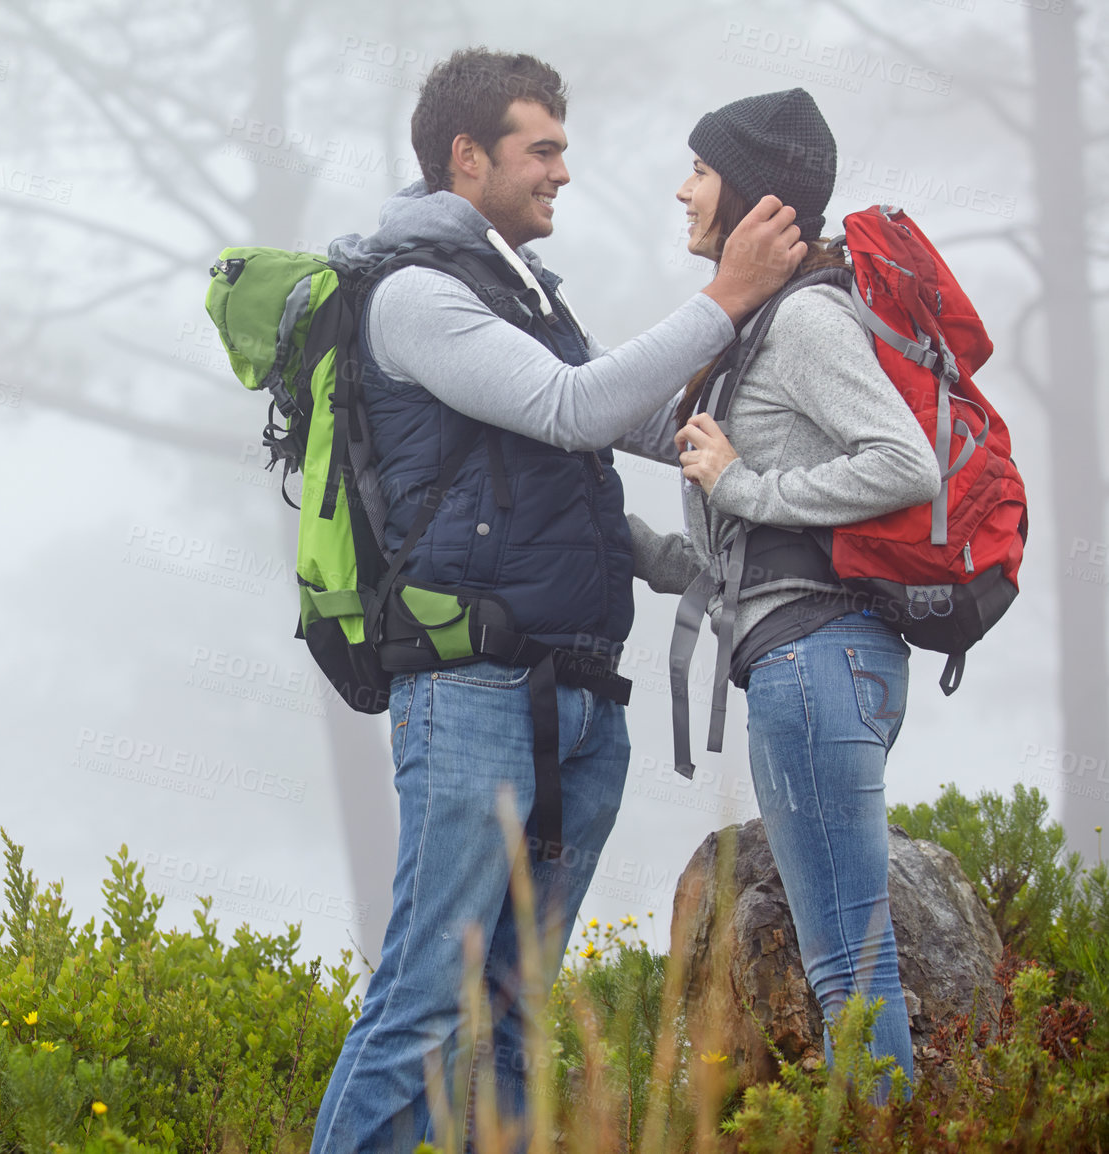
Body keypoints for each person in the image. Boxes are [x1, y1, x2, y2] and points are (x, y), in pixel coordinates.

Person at [309, 50, 806, 1152]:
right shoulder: (415, 296)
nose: (562, 173)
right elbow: (573, 407)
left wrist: (774, 453)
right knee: (426, 1001)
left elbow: (616, 429)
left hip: (577, 695)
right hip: (472, 693)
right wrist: (725, 296)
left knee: (517, 1011)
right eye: (542, 149)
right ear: (466, 155)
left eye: (563, 150)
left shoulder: (518, 291)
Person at [630, 87, 943, 1098]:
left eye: (701, 172)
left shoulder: (803, 321)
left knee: (849, 968)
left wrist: (745, 487)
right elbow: (620, 415)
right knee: (847, 961)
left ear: (753, 193)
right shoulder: (749, 337)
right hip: (817, 663)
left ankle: (882, 1127)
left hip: (817, 660)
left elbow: (905, 463)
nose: (683, 191)